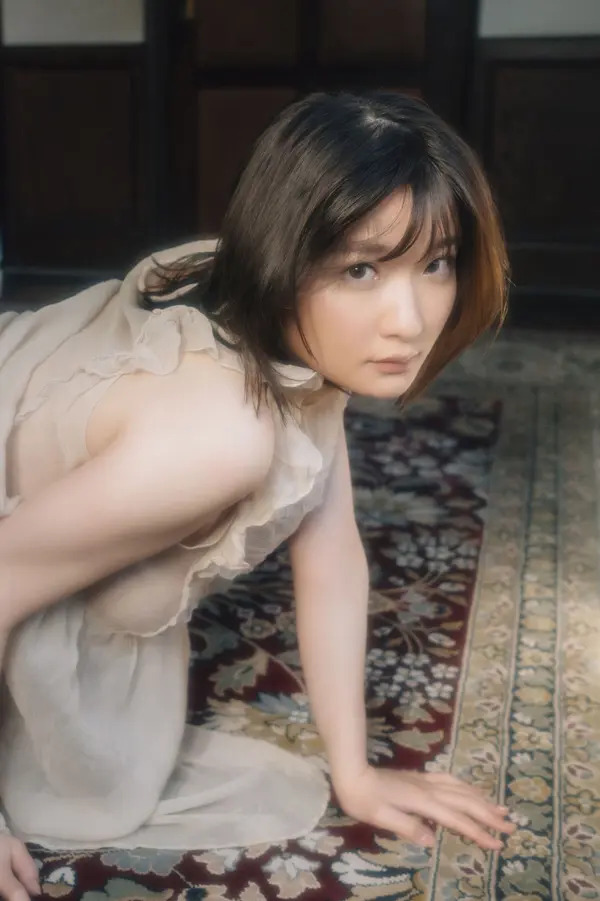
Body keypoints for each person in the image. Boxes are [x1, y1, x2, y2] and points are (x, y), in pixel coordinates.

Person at [0, 90, 512, 901]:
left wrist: (355, 772)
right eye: (362, 269)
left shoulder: (279, 320)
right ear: (285, 256)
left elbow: (331, 549)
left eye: (437, 262)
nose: (409, 319)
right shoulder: (219, 438)